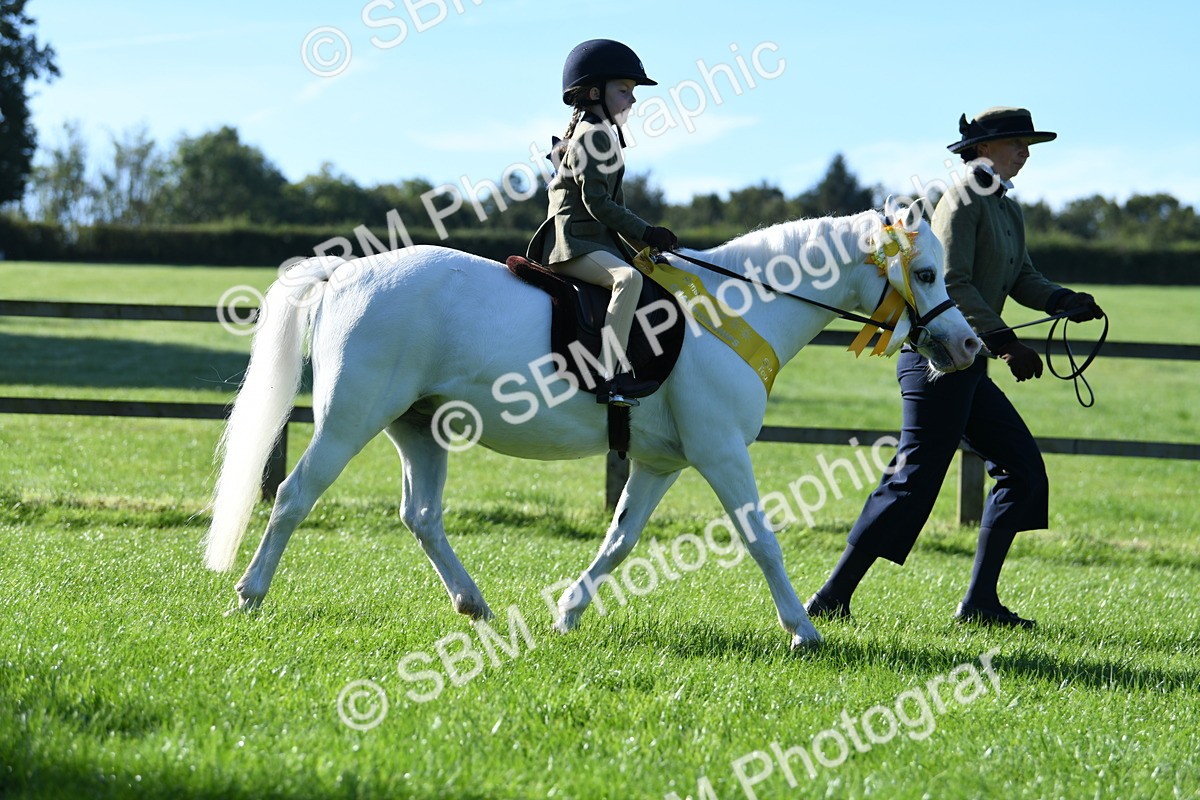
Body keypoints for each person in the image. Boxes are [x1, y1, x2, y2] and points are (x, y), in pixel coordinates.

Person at [805, 107, 1104, 628]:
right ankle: (830, 598)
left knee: (1022, 471)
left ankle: (979, 603)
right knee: (914, 479)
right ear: (983, 149)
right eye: (1017, 143)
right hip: (936, 363)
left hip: (969, 366)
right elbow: (952, 281)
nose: (1025, 153)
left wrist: (1063, 300)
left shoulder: (1006, 208)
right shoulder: (962, 199)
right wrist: (1005, 343)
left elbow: (1023, 276)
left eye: (1028, 145)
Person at [526, 39, 679, 407]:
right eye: (624, 90)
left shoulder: (601, 134)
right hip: (573, 244)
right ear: (595, 93)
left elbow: (615, 208)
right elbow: (598, 204)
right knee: (628, 279)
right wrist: (647, 231)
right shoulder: (593, 136)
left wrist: (644, 245)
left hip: (593, 242)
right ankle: (608, 375)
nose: (633, 99)